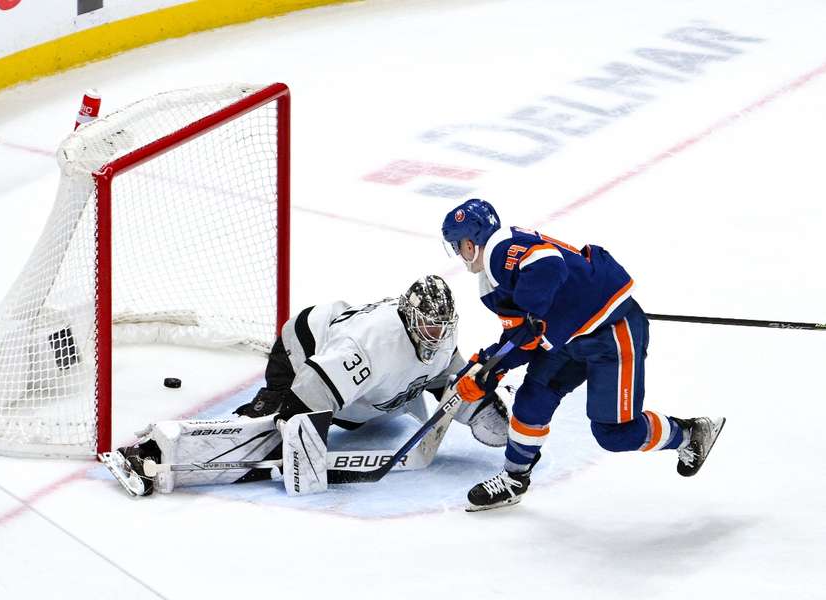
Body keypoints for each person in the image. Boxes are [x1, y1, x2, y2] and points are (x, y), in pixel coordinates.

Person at [103, 275, 510, 497]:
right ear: (409, 318)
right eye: (429, 326)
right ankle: (153, 451)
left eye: (442, 327)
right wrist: (299, 455)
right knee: (270, 427)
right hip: (304, 352)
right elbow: (307, 396)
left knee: (343, 417)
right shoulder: (372, 343)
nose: (436, 336)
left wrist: (486, 412)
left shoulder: (441, 338)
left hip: (365, 396)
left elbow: (449, 384)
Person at [441, 199, 725, 511]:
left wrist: (532, 310)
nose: (459, 255)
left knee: (613, 433)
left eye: (459, 246)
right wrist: (489, 368)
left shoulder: (498, 248)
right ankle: (514, 479)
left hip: (611, 332)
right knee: (532, 400)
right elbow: (522, 339)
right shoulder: (489, 285)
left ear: (472, 242)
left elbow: (548, 261)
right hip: (570, 339)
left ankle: (689, 433)